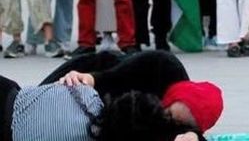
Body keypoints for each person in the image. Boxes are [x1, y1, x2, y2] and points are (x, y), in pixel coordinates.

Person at [2, 50, 221, 141]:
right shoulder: (163, 66)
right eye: (170, 113)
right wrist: (90, 78)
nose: (169, 118)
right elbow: (114, 73)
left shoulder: (181, 125)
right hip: (93, 72)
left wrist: (193, 136)